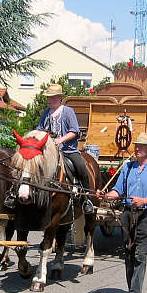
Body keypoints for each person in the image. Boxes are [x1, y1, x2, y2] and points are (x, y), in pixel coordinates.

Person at [96, 132, 147, 293]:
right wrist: (105, 196)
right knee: (128, 254)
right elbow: (117, 191)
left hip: (146, 216)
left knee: (140, 255)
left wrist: (144, 201)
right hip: (128, 214)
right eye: (136, 146)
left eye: (141, 146)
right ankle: (132, 291)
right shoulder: (128, 167)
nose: (137, 149)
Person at [37, 83, 94, 213]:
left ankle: (87, 199)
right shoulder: (46, 113)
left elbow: (74, 131)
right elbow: (39, 129)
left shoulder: (68, 111)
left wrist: (60, 140)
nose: (48, 100)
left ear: (59, 98)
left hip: (67, 150)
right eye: (48, 97)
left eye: (51, 97)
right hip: (48, 150)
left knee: (81, 167)